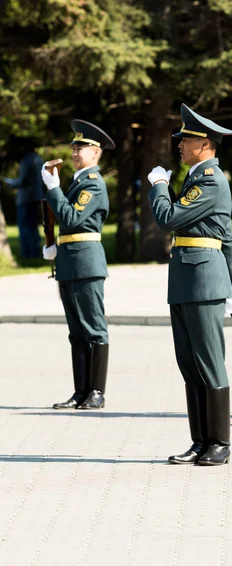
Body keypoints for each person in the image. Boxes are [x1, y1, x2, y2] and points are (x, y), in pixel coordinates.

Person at [147, 103, 232, 466]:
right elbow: (229, 237)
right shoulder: (196, 178)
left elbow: (168, 217)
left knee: (209, 363)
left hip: (203, 280)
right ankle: (199, 441)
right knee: (189, 363)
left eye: (185, 139)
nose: (179, 145)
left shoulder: (211, 180)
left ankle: (219, 441)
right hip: (187, 278)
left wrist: (159, 186)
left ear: (204, 143)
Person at [41, 120, 115, 410]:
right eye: (73, 146)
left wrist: (54, 188)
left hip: (87, 262)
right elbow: (60, 220)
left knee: (94, 327)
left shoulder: (94, 185)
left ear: (96, 153)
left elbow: (71, 218)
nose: (74, 151)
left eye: (81, 147)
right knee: (76, 330)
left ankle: (96, 391)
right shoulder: (78, 183)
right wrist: (51, 244)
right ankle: (80, 391)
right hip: (70, 261)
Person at [4, 138, 43, 258]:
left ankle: (28, 253)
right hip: (37, 197)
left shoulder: (27, 160)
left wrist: (9, 182)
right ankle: (35, 252)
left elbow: (23, 180)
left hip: (25, 198)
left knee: (25, 227)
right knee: (33, 226)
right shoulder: (39, 159)